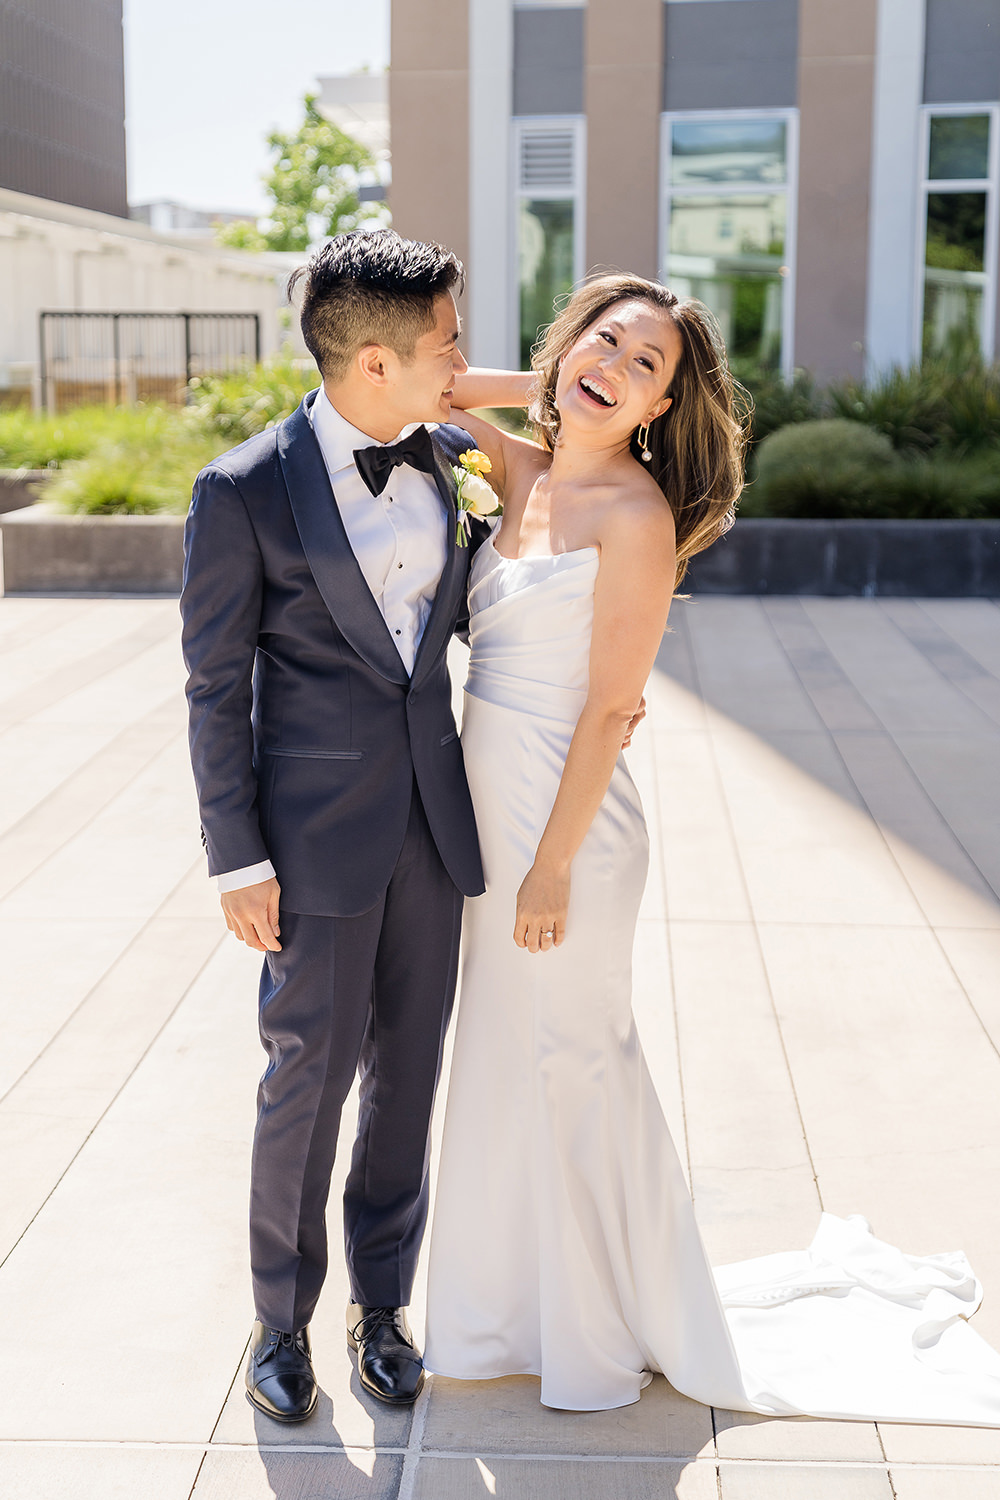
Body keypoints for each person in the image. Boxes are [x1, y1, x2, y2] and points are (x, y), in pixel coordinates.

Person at [427, 272, 1000, 1424]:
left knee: (575, 1064)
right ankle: (510, 1310)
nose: (617, 369)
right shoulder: (520, 471)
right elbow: (426, 380)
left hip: (568, 835)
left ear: (659, 409)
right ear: (566, 343)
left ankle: (598, 1327)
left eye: (649, 367)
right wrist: (546, 386)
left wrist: (549, 863)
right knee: (501, 1055)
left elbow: (607, 710)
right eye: (605, 341)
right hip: (486, 824)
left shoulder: (635, 518)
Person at [180, 229, 559, 1424]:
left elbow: (545, 428)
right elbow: (211, 688)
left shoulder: (446, 449)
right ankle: (280, 1319)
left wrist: (476, 384)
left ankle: (380, 1307)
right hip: (309, 843)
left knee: (407, 1081)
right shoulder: (241, 490)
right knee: (308, 1084)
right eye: (449, 339)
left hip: (433, 829)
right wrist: (236, 857)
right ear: (377, 363)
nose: (467, 357)